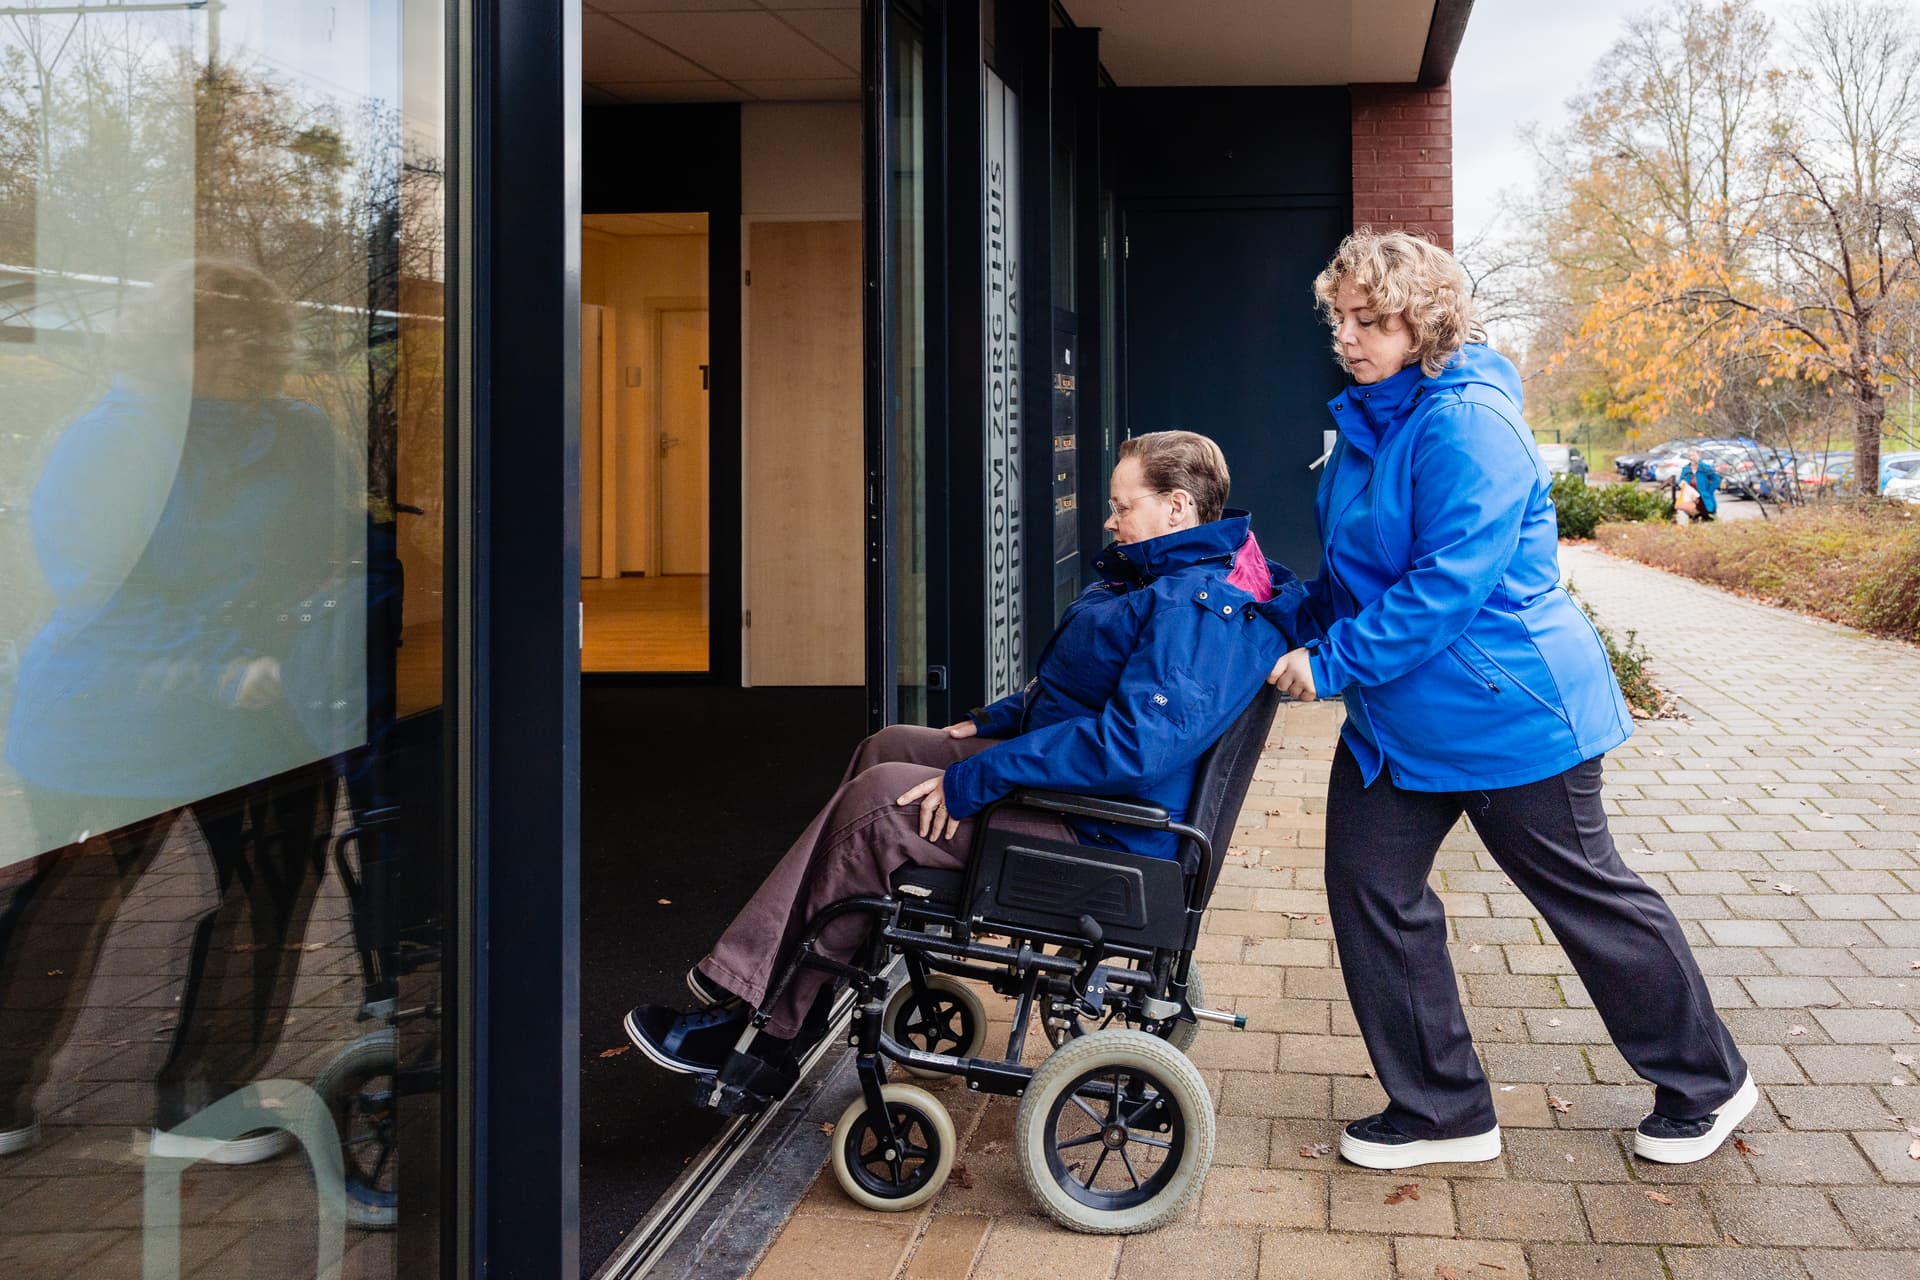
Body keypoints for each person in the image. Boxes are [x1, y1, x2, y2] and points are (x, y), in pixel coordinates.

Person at [1263, 230, 1752, 1171]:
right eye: (1341, 320)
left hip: (1510, 712)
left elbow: (1448, 583)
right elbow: (1360, 573)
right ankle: (1444, 1108)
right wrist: (1276, 605)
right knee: (1371, 889)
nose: (1350, 338)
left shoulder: (1467, 422)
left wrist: (1331, 664)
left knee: (1588, 901)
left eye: (1373, 321)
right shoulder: (1373, 419)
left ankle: (1709, 1081)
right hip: (1400, 725)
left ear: (1428, 322)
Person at [626, 431, 1294, 1104]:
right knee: (889, 748)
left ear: (1177, 507)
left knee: (882, 807)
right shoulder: (1161, 577)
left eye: (1123, 505)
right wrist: (997, 720)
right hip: (1072, 796)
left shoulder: (1193, 607)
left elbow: (1129, 748)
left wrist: (978, 775)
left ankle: (766, 1033)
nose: (1108, 519)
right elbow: (1085, 691)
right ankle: (801, 976)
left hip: (1104, 836)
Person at [1680, 448, 1720, 521]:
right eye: (1689, 456)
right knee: (1693, 522)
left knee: (1708, 521)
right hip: (1692, 500)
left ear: (1698, 455)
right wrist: (1683, 483)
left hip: (1704, 499)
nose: (1691, 458)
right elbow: (1681, 481)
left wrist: (1709, 491)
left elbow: (1716, 480)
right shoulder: (1685, 469)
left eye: (1693, 455)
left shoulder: (1705, 468)